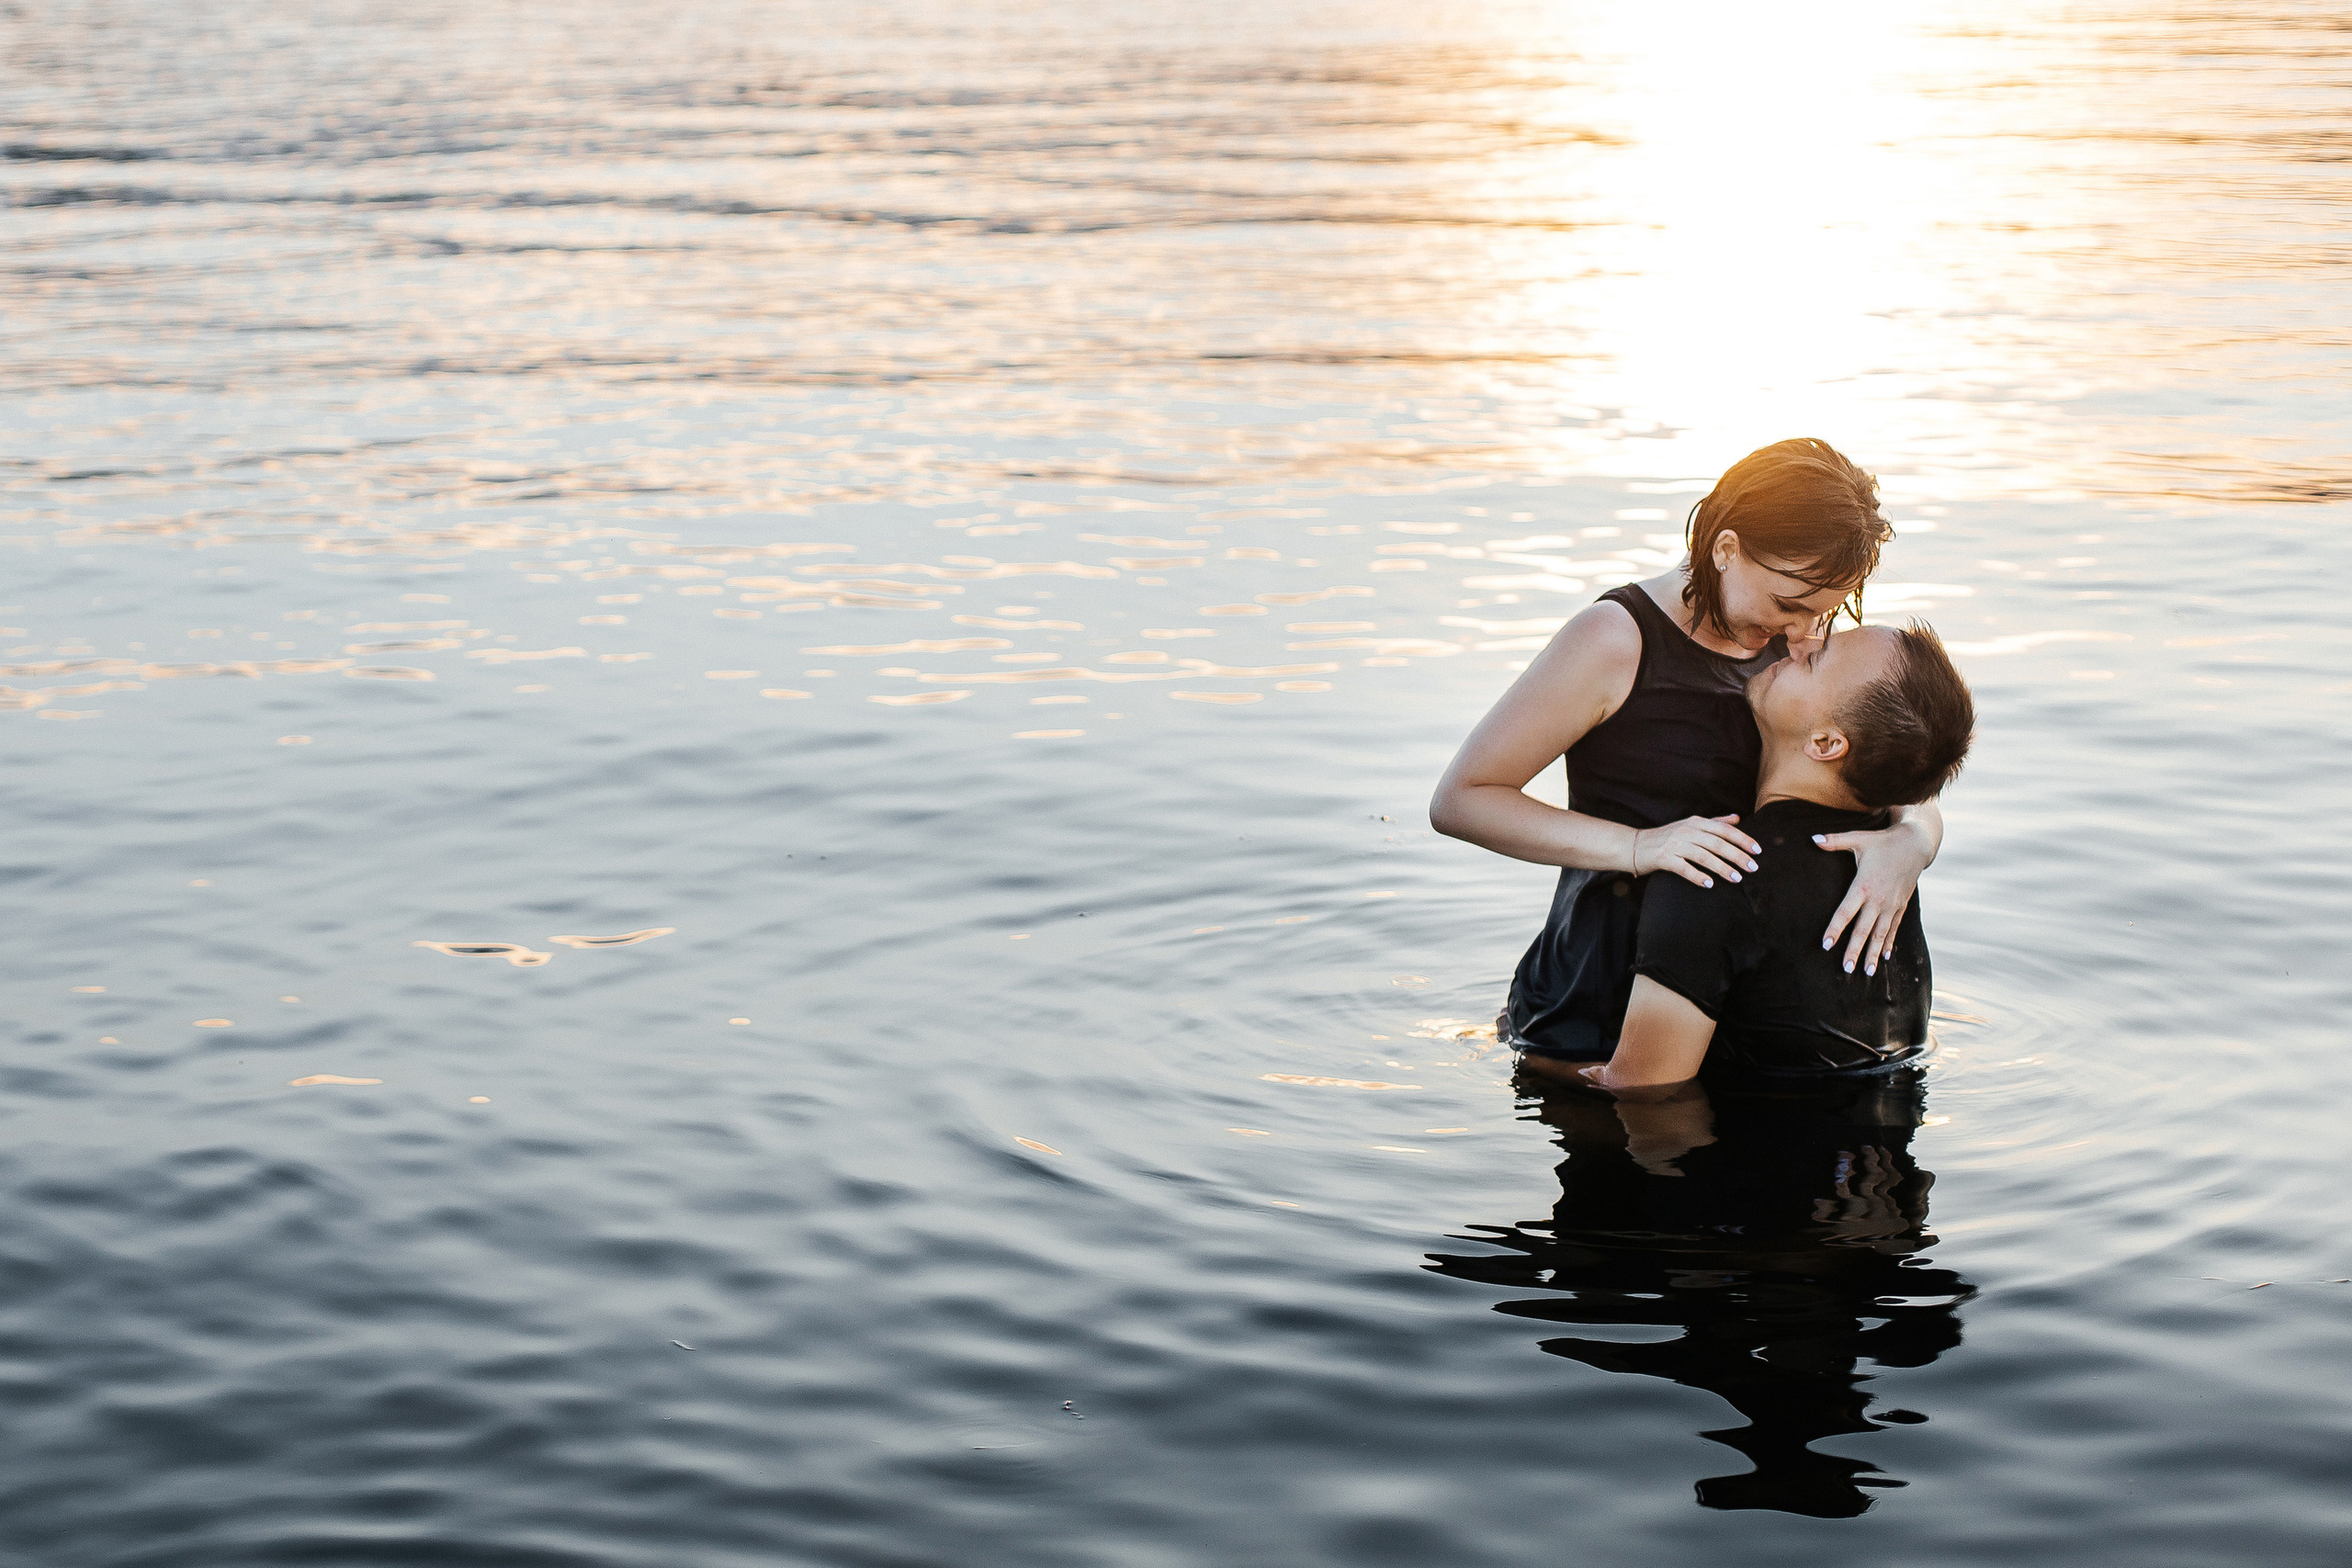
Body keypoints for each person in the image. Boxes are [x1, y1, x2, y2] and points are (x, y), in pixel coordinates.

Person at [1431, 439, 1943, 1071]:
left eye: (1825, 612)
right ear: (1725, 548)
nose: (1802, 635)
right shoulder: (1615, 640)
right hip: (1588, 1007)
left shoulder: (1796, 645)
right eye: (1789, 605)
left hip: (1721, 1025)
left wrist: (1914, 838)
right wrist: (1641, 848)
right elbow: (1462, 799)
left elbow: (1889, 752)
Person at [1570, 619, 1975, 1100]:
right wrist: (1917, 836)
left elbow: (1641, 1094)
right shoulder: (1890, 858)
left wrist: (1522, 1051)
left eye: (1818, 659)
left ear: (1825, 744)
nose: (1801, 644)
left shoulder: (1715, 873)